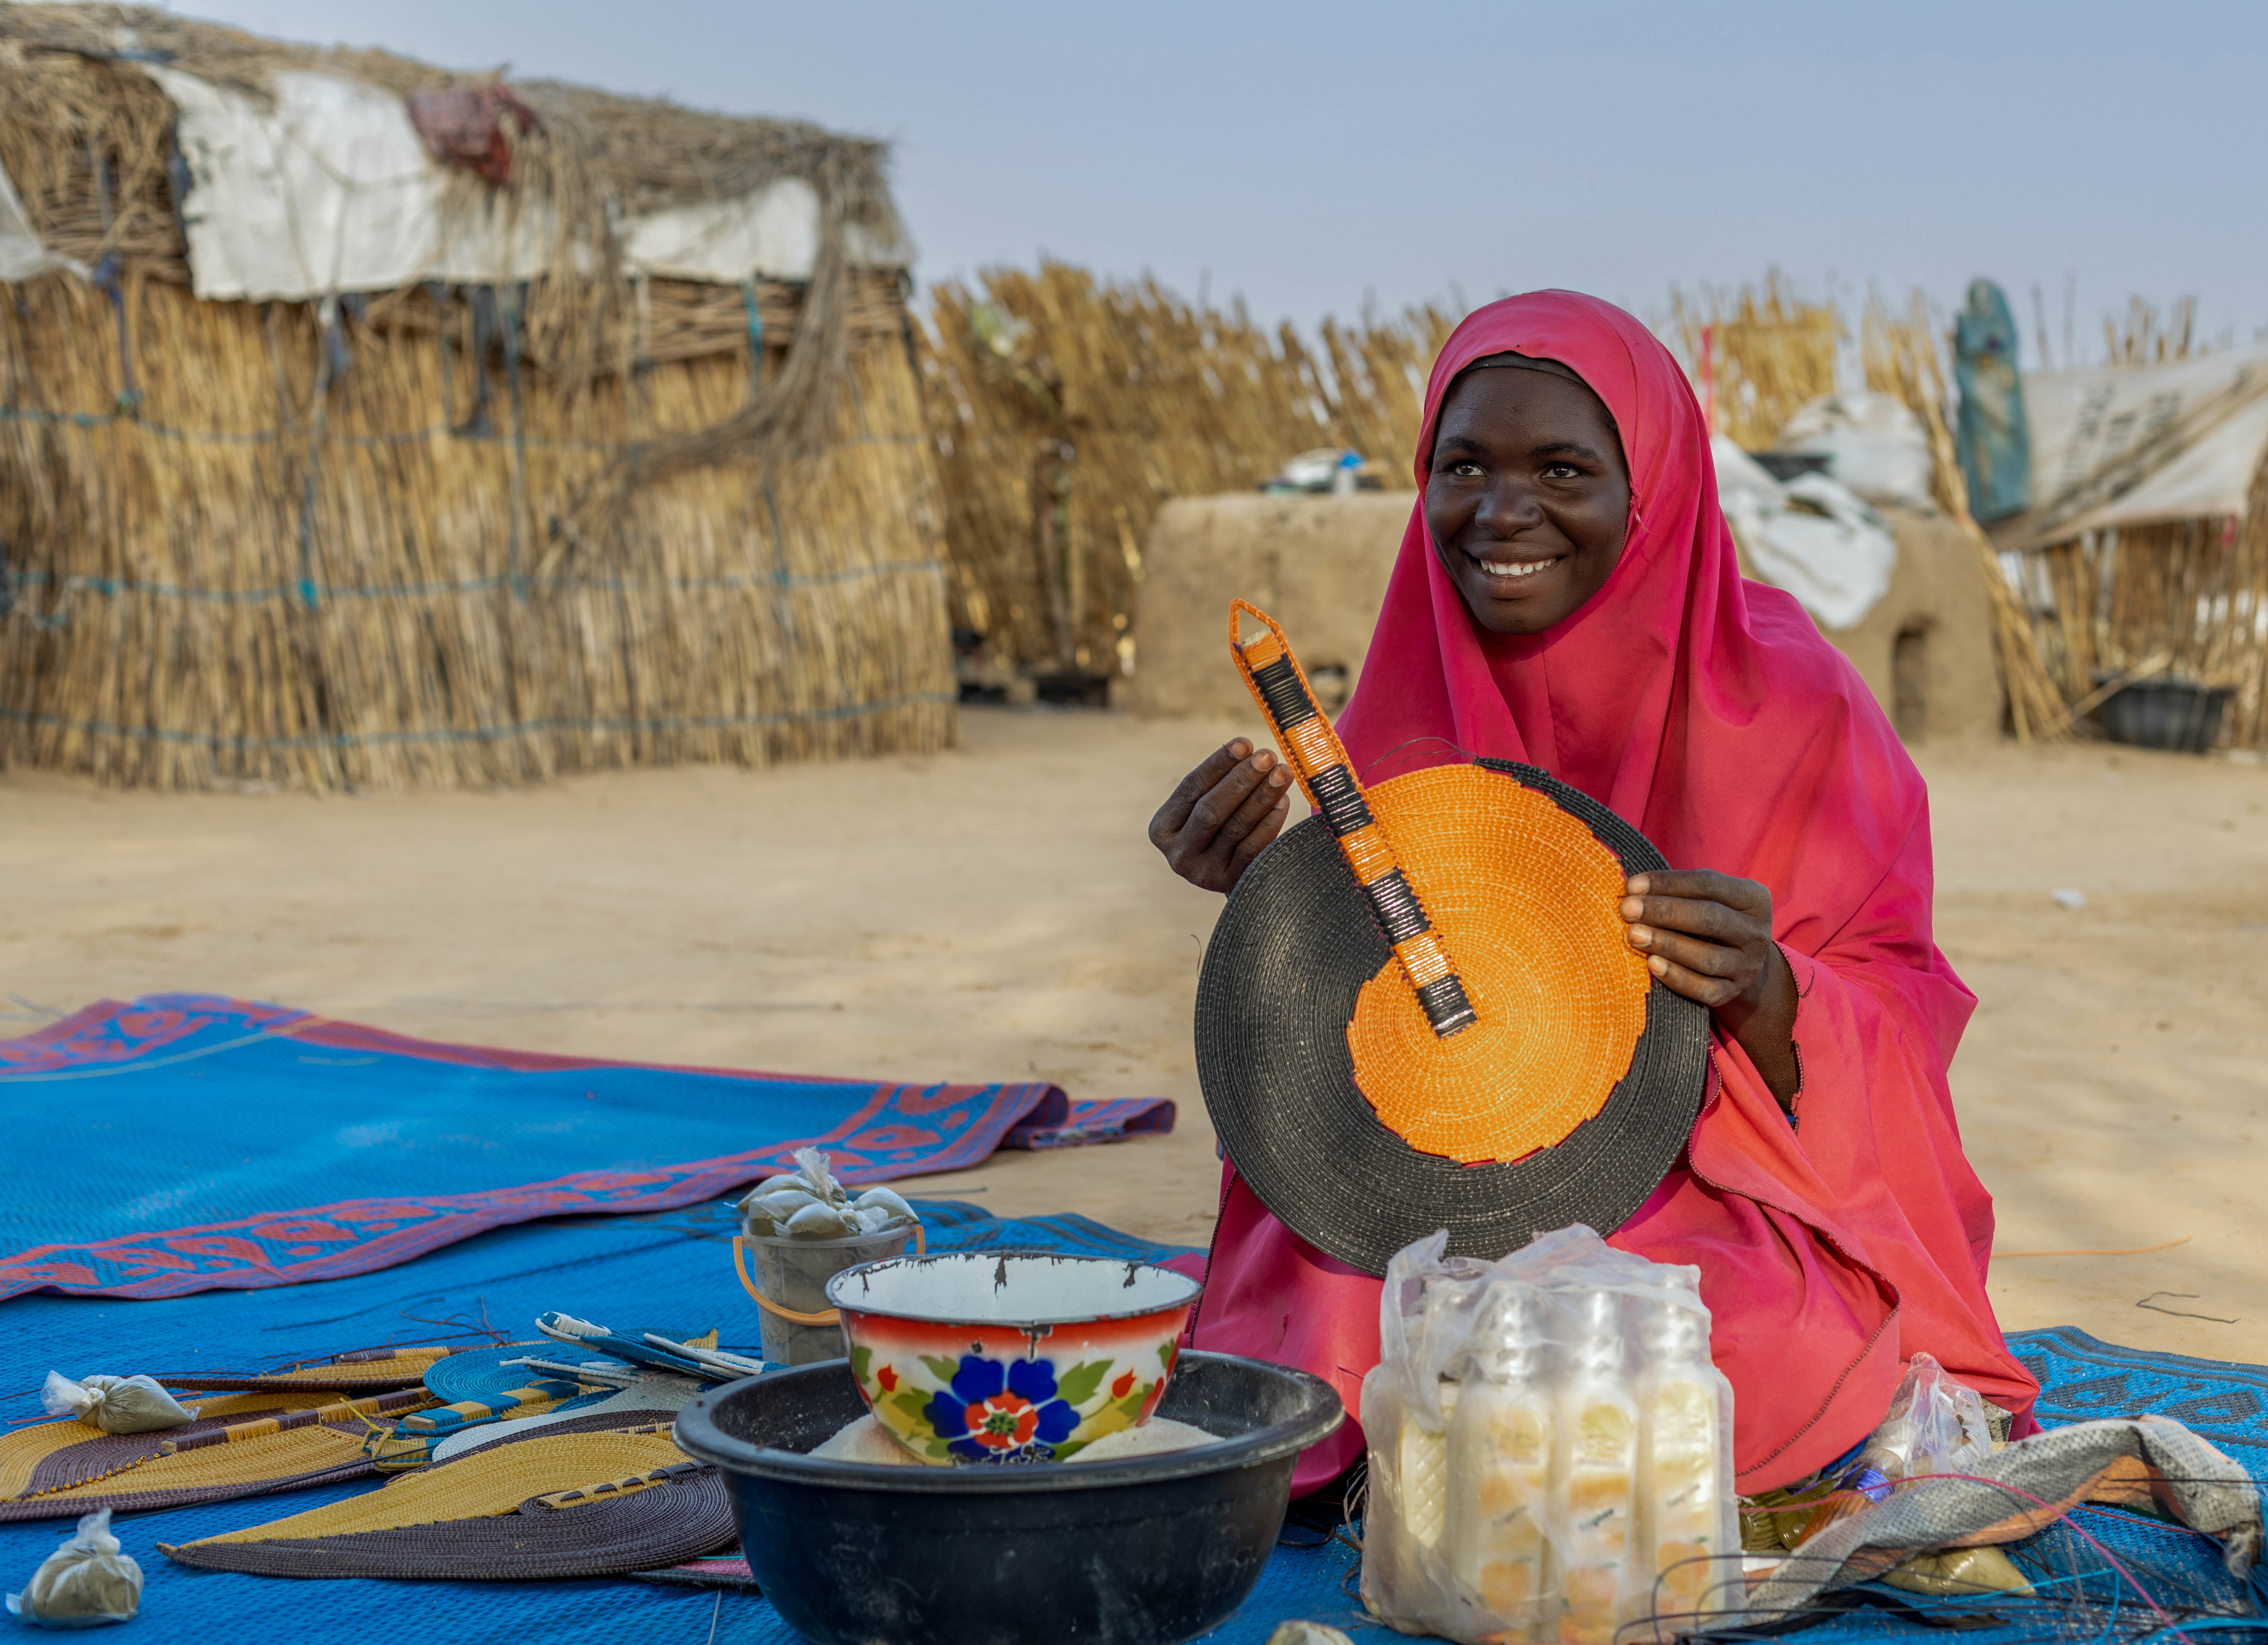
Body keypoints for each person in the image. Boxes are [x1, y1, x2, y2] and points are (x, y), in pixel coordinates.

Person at [1148, 290, 2037, 1498]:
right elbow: (1358, 1030)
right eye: (1463, 466)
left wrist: (1774, 989)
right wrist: (1265, 888)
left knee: (1730, 1332)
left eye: (1562, 467)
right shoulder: (1396, 714)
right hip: (1436, 1174)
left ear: (1654, 488)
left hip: (1700, 1175)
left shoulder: (1799, 711)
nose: (1504, 512)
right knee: (1334, 1293)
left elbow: (1902, 1009)